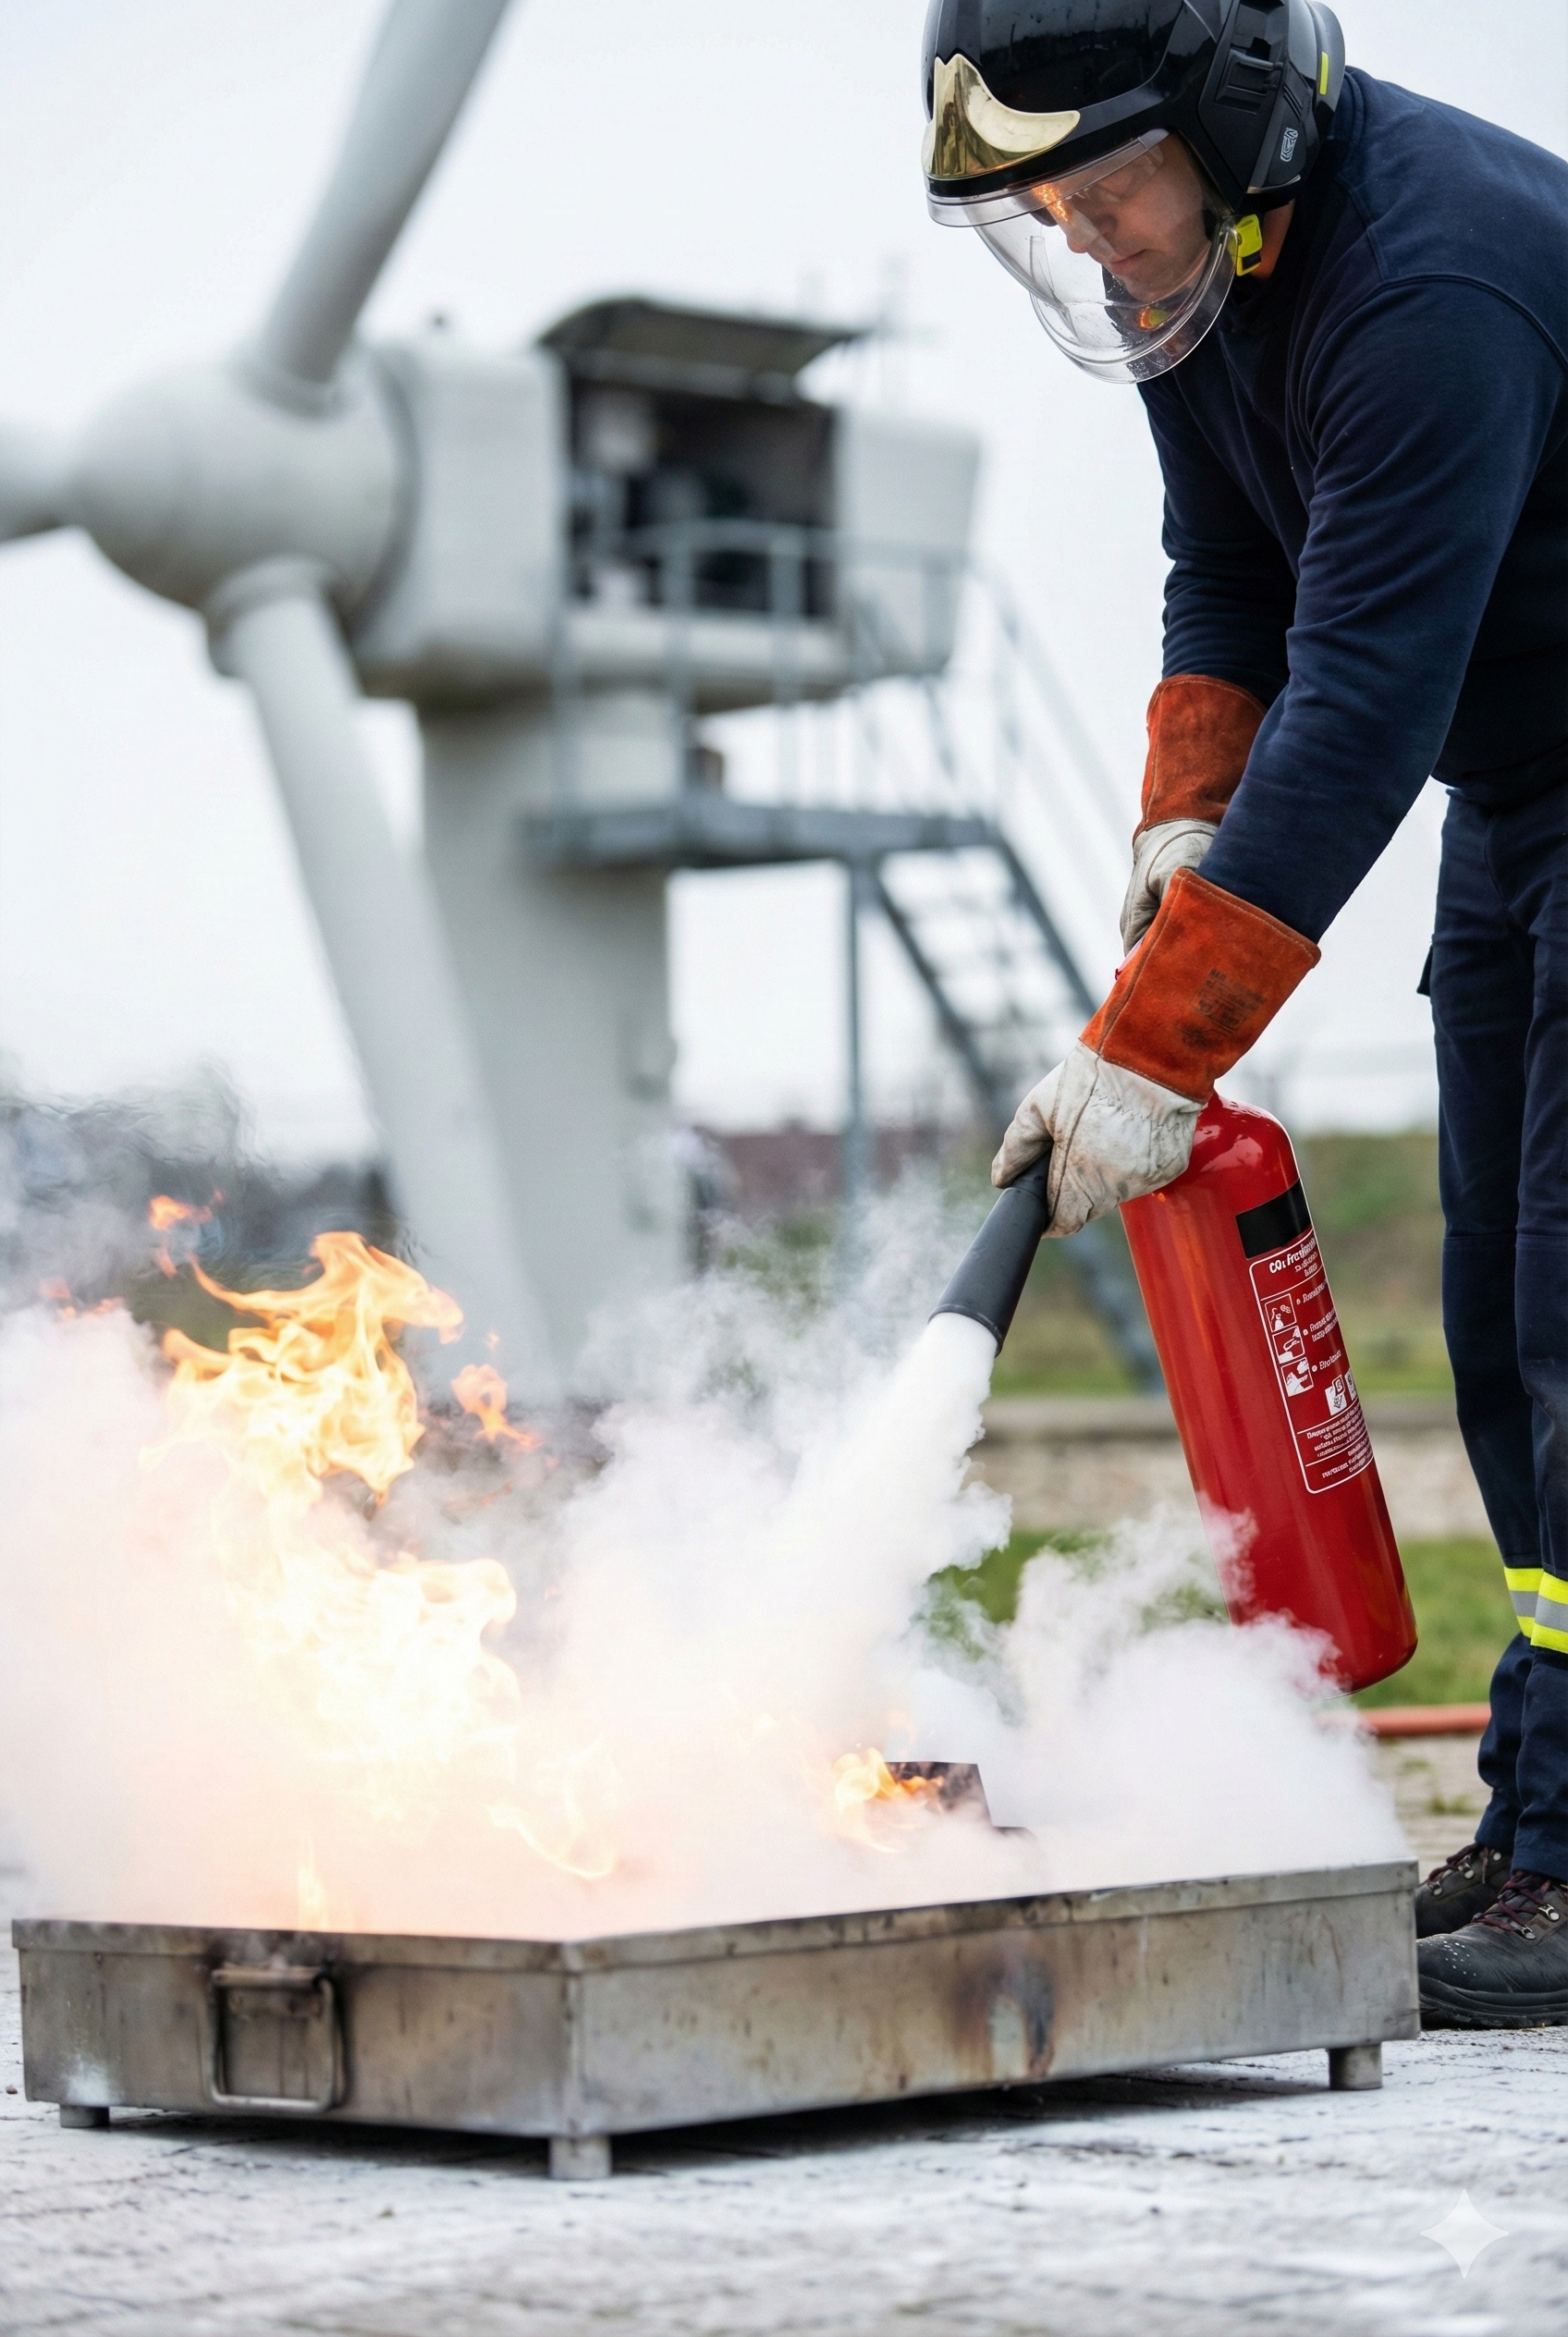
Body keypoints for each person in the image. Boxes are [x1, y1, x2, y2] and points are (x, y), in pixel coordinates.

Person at [923, 0, 1567, 2025]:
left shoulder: (1428, 281)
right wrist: (1180, 806)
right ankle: (1543, 1827)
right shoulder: (1207, 278)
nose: (1088, 237)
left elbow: (1363, 691)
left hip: (1498, 746)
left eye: (1098, 186)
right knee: (1494, 1316)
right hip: (1523, 779)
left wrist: (1156, 1037)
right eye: (1046, 208)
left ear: (1218, 111)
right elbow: (1229, 566)